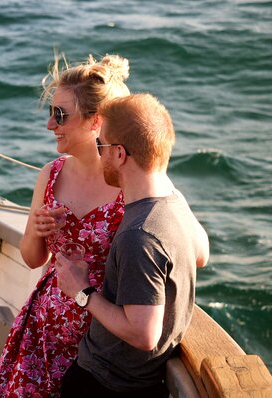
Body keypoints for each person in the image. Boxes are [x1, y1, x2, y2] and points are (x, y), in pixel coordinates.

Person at [0, 54, 130, 398]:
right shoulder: (51, 175)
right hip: (44, 332)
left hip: (98, 343)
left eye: (60, 115)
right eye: (52, 114)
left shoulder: (131, 181)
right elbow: (33, 259)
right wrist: (36, 230)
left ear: (95, 121)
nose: (50, 125)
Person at [55, 93, 210, 397]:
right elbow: (201, 254)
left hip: (106, 384)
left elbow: (144, 335)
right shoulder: (174, 203)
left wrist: (81, 291)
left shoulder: (139, 236)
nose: (99, 155)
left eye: (101, 146)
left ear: (120, 154)